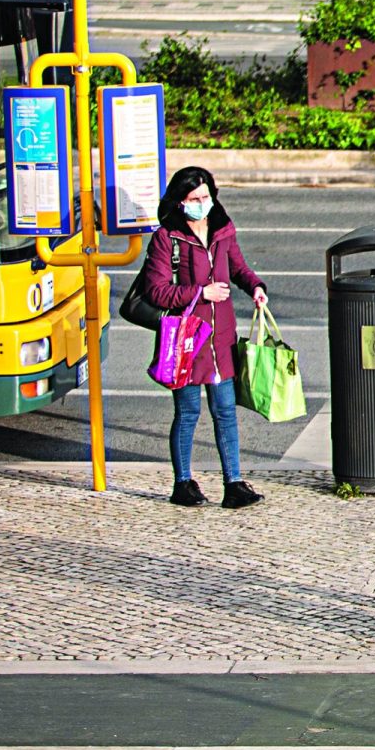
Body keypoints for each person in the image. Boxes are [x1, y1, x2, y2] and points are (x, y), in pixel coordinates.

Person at [143, 167, 267, 509]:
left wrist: (255, 287)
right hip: (186, 339)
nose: (203, 204)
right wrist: (200, 293)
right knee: (188, 411)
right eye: (195, 199)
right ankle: (182, 482)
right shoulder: (167, 238)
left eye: (207, 197)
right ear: (180, 202)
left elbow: (238, 267)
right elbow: (156, 290)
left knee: (225, 410)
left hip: (221, 338)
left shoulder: (223, 230)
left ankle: (234, 483)